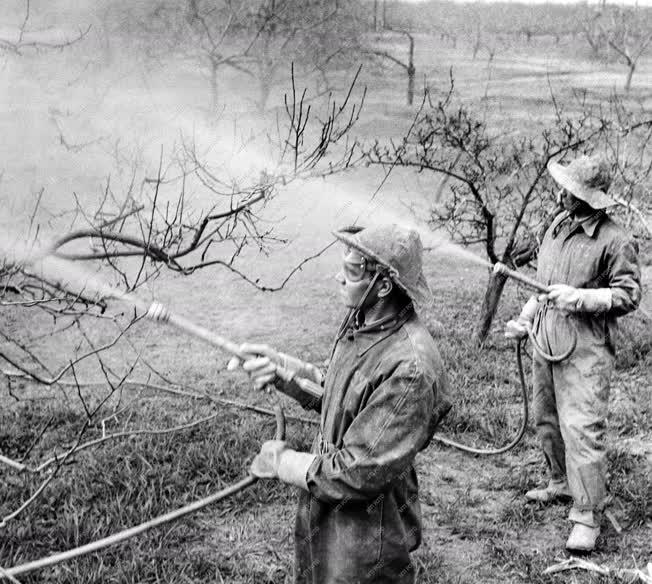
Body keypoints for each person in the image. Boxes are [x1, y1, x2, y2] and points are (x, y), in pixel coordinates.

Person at [229, 223, 451, 583]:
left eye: (352, 271)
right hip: (327, 505)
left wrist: (283, 462)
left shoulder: (410, 368)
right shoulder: (364, 320)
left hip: (368, 527)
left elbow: (358, 470)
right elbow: (341, 395)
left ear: (382, 285)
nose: (339, 277)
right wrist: (282, 369)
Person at [505, 154, 641, 552]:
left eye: (572, 191)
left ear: (590, 199)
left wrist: (580, 297)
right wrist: (525, 318)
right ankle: (560, 483)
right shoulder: (557, 227)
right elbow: (543, 285)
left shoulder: (614, 240)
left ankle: (588, 515)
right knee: (547, 417)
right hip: (546, 338)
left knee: (581, 426)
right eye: (564, 187)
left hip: (585, 347)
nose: (562, 194)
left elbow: (629, 295)